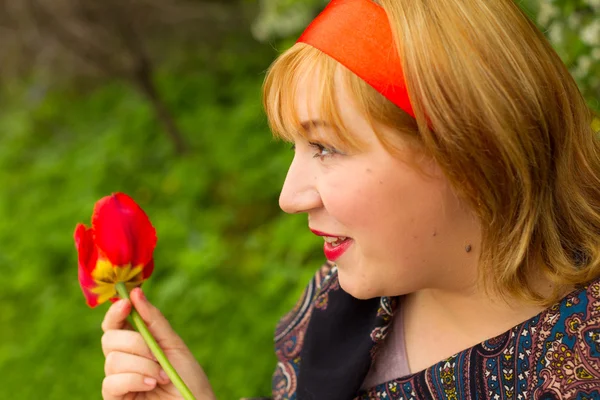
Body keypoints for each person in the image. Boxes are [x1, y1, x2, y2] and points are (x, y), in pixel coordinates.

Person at [100, 0, 600, 398]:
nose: (289, 197)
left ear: (470, 153)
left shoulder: (579, 366)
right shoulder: (337, 304)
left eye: (325, 147)